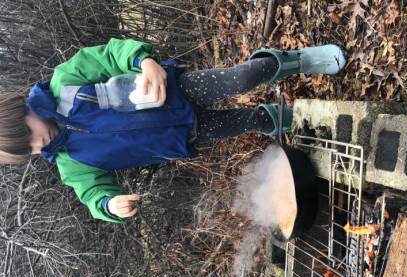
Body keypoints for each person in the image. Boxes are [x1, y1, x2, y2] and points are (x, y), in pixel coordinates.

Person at [0, 38, 345, 222]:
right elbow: (93, 196)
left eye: (27, 135)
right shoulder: (69, 164)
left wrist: (143, 61)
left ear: (22, 112)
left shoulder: (65, 83)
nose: (37, 144)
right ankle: (290, 117)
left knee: (241, 77)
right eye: (28, 150)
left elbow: (109, 55)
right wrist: (108, 205)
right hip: (181, 137)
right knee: (249, 122)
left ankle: (295, 61)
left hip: (176, 92)